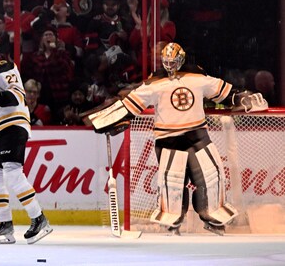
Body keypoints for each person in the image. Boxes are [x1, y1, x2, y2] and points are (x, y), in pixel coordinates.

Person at [91, 42, 268, 236]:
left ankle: (212, 216)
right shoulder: (155, 84)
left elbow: (225, 93)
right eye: (166, 61)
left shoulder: (196, 78)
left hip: (197, 134)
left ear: (181, 60)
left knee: (212, 176)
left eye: (173, 61)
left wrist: (241, 98)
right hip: (168, 139)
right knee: (172, 182)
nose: (170, 65)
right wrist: (108, 119)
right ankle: (172, 221)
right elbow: (130, 105)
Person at [0, 35, 52, 244]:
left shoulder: (4, 65)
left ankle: (39, 218)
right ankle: (5, 225)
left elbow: (17, 95)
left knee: (13, 172)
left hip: (12, 123)